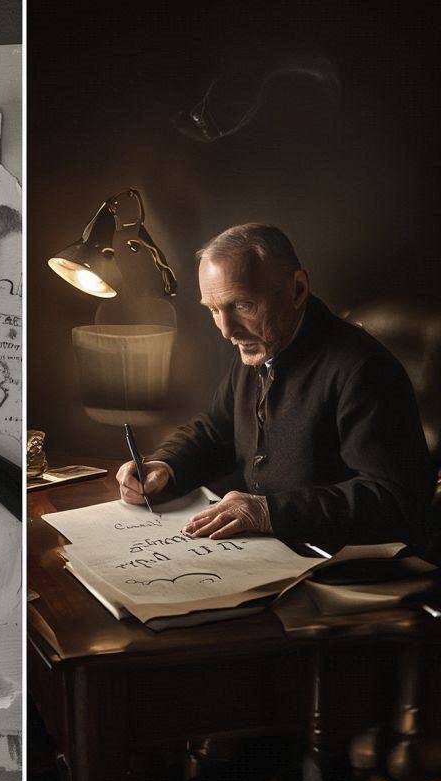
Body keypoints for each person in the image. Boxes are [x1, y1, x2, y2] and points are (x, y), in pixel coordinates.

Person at [116, 223, 434, 554]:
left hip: (340, 563)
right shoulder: (261, 342)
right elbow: (217, 430)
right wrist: (165, 465)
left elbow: (396, 499)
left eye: (243, 305)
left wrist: (269, 512)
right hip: (269, 550)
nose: (226, 330)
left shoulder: (364, 368)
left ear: (297, 289)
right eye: (213, 309)